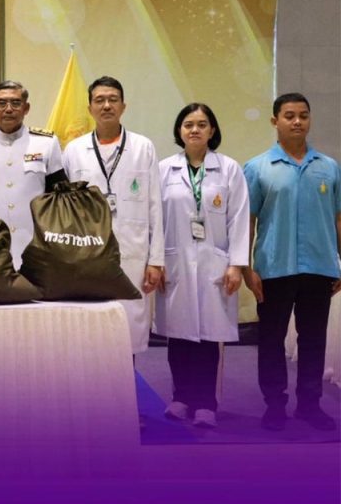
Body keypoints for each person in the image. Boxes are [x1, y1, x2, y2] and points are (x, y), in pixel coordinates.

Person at [244, 93, 340, 432]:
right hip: (274, 267)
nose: (297, 121)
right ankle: (275, 405)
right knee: (271, 340)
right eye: (289, 115)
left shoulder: (329, 167)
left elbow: (338, 219)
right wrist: (247, 268)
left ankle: (310, 405)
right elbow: (247, 221)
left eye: (303, 115)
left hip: (319, 267)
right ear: (275, 121)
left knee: (313, 339)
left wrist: (340, 262)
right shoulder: (257, 168)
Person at [155, 103, 249, 428]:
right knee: (178, 334)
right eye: (188, 124)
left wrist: (236, 264)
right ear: (179, 130)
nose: (194, 129)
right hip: (176, 262)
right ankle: (181, 398)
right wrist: (157, 261)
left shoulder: (229, 169)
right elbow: (155, 220)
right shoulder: (164, 170)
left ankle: (206, 403)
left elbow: (239, 219)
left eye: (202, 124)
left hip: (214, 265)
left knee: (209, 337)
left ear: (212, 130)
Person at [62, 76, 164, 356]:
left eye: (112, 100)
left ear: (123, 106)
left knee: (127, 330)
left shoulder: (143, 147)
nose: (106, 105)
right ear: (90, 108)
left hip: (132, 253)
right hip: (86, 255)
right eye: (99, 100)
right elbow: (65, 210)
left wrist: (156, 260)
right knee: (89, 332)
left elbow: (155, 205)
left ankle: (127, 383)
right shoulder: (73, 150)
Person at [0, 80, 67, 268]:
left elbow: (60, 199)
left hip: (36, 245)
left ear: (26, 108)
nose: (9, 109)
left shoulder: (46, 142)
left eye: (16, 103)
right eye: (1, 103)